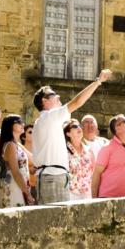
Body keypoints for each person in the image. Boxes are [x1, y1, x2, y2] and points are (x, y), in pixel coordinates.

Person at [32, 69, 112, 203]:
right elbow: (77, 102)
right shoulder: (49, 117)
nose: (58, 96)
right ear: (44, 101)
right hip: (53, 177)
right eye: (53, 95)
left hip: (54, 176)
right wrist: (98, 81)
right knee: (56, 222)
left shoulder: (46, 120)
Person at [0, 115, 35, 207]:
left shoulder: (16, 145)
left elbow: (33, 159)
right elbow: (15, 172)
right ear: (10, 125)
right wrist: (28, 193)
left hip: (20, 186)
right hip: (15, 187)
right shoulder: (10, 145)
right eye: (19, 122)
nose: (22, 124)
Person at [64, 119, 95, 200]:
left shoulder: (88, 150)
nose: (79, 128)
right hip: (70, 194)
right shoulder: (63, 150)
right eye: (75, 126)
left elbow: (94, 171)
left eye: (79, 126)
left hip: (88, 194)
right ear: (68, 133)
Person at [20, 124, 37, 202]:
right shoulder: (20, 150)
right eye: (30, 132)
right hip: (26, 187)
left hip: (39, 186)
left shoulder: (40, 150)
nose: (33, 134)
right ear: (23, 136)